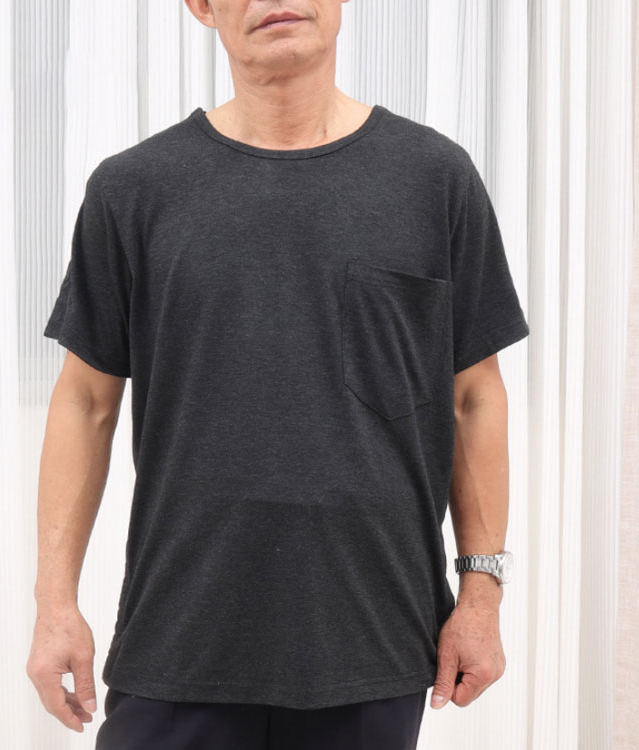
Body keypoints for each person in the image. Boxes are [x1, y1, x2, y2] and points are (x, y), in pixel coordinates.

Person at [26, 1, 530, 748]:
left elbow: (474, 398)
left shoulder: (433, 179)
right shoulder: (134, 189)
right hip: (180, 639)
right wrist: (54, 603)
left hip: (372, 641)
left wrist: (480, 597)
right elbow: (85, 402)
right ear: (202, 6)